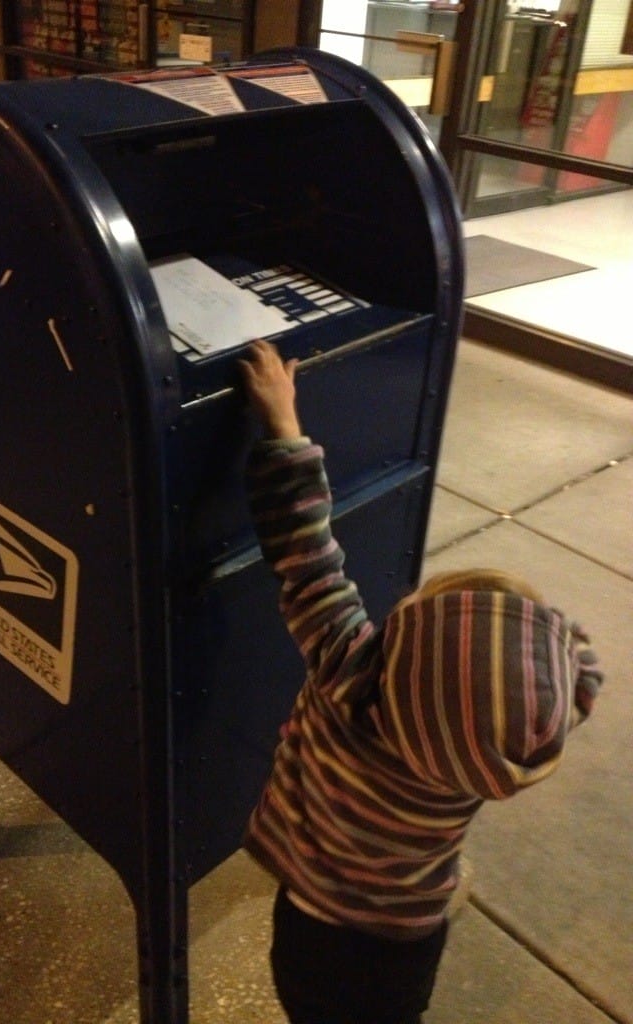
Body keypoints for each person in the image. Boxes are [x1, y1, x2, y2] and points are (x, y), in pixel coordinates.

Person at [237, 339, 603, 1024]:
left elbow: (305, 553)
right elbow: (580, 675)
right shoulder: (508, 736)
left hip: (316, 930)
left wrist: (284, 424)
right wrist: (542, 642)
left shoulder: (352, 676)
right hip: (409, 939)